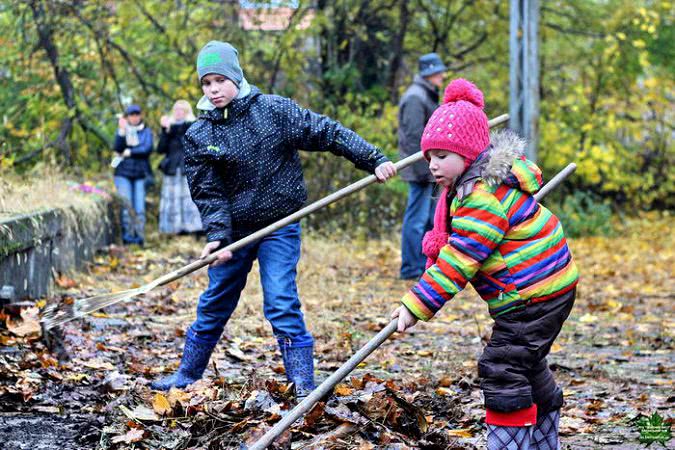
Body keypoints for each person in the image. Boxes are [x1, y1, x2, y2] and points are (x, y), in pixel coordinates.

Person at [151, 41, 397, 396]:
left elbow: (327, 132)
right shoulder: (199, 135)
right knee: (214, 301)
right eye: (206, 83)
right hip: (234, 233)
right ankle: (187, 375)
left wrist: (372, 158)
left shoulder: (273, 111)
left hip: (279, 226)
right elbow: (209, 192)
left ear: (236, 76)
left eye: (220, 79)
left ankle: (302, 384)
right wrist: (218, 236)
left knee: (281, 300)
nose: (214, 89)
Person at [390, 79, 579, 449]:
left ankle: (510, 443)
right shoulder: (477, 188)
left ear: (469, 153)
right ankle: (543, 439)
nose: (432, 166)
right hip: (548, 287)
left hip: (532, 294)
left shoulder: (479, 198)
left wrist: (416, 304)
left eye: (442, 156)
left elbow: (459, 259)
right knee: (525, 361)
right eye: (429, 157)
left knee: (502, 366)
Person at [398, 53, 447, 279]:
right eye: (438, 72)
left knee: (428, 219)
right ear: (429, 73)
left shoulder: (424, 94)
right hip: (420, 168)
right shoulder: (416, 98)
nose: (442, 76)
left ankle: (422, 265)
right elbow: (413, 138)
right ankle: (411, 268)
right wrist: (425, 168)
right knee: (416, 220)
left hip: (426, 167)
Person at [157, 100, 203, 235]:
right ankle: (173, 228)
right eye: (175, 109)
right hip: (172, 169)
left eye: (181, 109)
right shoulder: (169, 128)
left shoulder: (193, 125)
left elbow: (192, 146)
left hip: (188, 169)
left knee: (189, 199)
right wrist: (165, 131)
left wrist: (179, 128)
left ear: (187, 111)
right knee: (172, 199)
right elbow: (160, 149)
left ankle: (193, 228)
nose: (178, 112)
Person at [112, 104, 153, 246]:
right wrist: (122, 132)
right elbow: (117, 148)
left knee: (139, 207)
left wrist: (129, 152)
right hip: (123, 173)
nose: (134, 117)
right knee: (126, 206)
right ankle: (128, 238)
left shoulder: (146, 132)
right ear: (127, 117)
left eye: (137, 114)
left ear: (140, 115)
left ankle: (139, 237)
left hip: (140, 174)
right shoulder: (122, 131)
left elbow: (146, 149)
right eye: (131, 115)